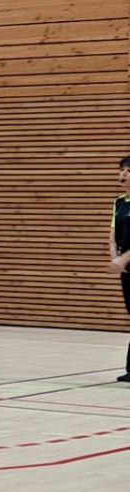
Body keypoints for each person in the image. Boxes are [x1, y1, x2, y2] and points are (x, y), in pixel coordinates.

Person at [113, 155, 130, 384]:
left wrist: (123, 259)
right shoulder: (119, 203)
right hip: (127, 270)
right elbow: (113, 233)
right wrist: (114, 256)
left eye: (128, 170)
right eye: (122, 170)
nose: (123, 174)